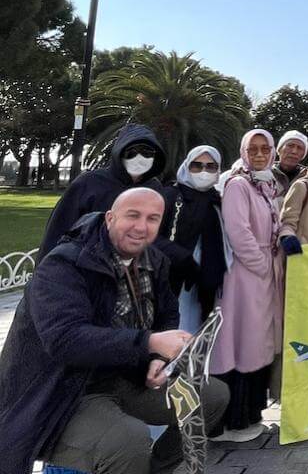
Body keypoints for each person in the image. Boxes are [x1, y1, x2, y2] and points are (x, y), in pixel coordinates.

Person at [0, 188, 228, 474]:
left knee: (212, 395)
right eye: (132, 215)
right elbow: (65, 340)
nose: (141, 226)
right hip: (64, 389)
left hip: (125, 377)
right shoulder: (65, 264)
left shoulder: (153, 261)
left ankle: (155, 469)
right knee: (127, 440)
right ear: (110, 218)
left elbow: (167, 313)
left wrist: (159, 359)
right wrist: (150, 342)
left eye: (152, 218)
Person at [210, 128, 284, 442]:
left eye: (265, 148)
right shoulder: (239, 184)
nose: (258, 154)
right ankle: (231, 421)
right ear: (243, 151)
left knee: (258, 342)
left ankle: (251, 414)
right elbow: (238, 231)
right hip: (245, 275)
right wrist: (262, 263)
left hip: (265, 274)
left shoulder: (268, 184)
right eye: (252, 148)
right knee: (241, 341)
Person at [40, 123, 167, 256]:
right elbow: (58, 229)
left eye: (147, 153)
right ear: (120, 152)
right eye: (132, 152)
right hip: (87, 264)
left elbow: (159, 233)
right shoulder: (88, 183)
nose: (139, 158)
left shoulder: (154, 189)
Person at [156, 145, 228, 330]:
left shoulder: (218, 201)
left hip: (205, 284)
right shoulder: (170, 196)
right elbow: (150, 236)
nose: (204, 171)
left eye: (211, 166)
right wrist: (183, 258)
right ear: (186, 166)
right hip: (172, 279)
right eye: (197, 165)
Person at [272, 130, 308, 196]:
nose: (294, 151)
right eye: (290, 146)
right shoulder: (264, 174)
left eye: (299, 148)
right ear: (279, 150)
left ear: (303, 155)